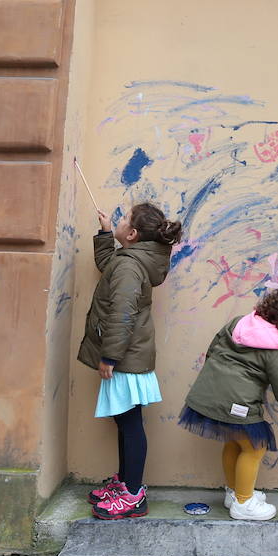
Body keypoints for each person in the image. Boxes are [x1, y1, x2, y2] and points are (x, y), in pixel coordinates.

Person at [178, 284, 278, 520]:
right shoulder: (276, 352)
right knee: (255, 447)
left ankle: (235, 493)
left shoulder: (240, 323)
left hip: (210, 391)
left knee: (235, 442)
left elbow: (213, 349)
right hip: (237, 402)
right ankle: (243, 504)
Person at [78, 202, 183, 520]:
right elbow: (108, 264)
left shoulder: (130, 266)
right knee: (125, 424)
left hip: (124, 357)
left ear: (133, 234)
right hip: (130, 354)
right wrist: (106, 232)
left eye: (123, 220)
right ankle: (125, 484)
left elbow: (121, 313)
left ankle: (133, 495)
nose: (120, 220)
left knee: (130, 425)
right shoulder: (131, 260)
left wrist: (110, 355)